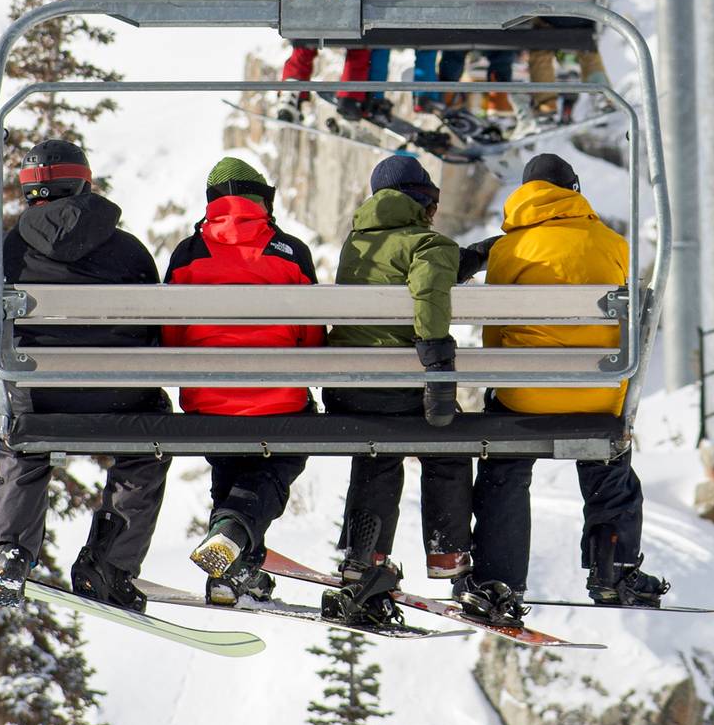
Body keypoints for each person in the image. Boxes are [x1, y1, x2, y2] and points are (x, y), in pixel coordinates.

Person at [466, 153, 669, 607]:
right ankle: (612, 571)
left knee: (505, 468)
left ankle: (499, 582)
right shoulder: (614, 243)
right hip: (596, 394)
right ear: (573, 190)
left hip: (524, 397)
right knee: (609, 462)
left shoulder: (508, 249)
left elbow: (494, 331)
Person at [0, 139, 172, 612]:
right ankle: (108, 563)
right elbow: (154, 329)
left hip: (41, 401)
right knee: (148, 446)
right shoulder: (129, 251)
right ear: (83, 181)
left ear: (28, 193)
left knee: (22, 439)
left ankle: (10, 552)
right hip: (121, 402)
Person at [323, 155, 482, 617]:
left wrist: (455, 258)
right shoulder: (428, 243)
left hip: (349, 390)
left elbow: (405, 266)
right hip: (401, 392)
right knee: (447, 448)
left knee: (378, 455)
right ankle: (447, 554)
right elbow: (428, 289)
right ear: (425, 201)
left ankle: (363, 555)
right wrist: (438, 363)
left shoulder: (356, 245)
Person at [165, 158, 323, 605]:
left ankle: (232, 569)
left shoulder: (187, 254)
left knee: (231, 470)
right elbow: (312, 338)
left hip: (208, 403)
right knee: (273, 467)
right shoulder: (290, 251)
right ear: (263, 200)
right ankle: (233, 534)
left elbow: (170, 335)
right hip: (280, 403)